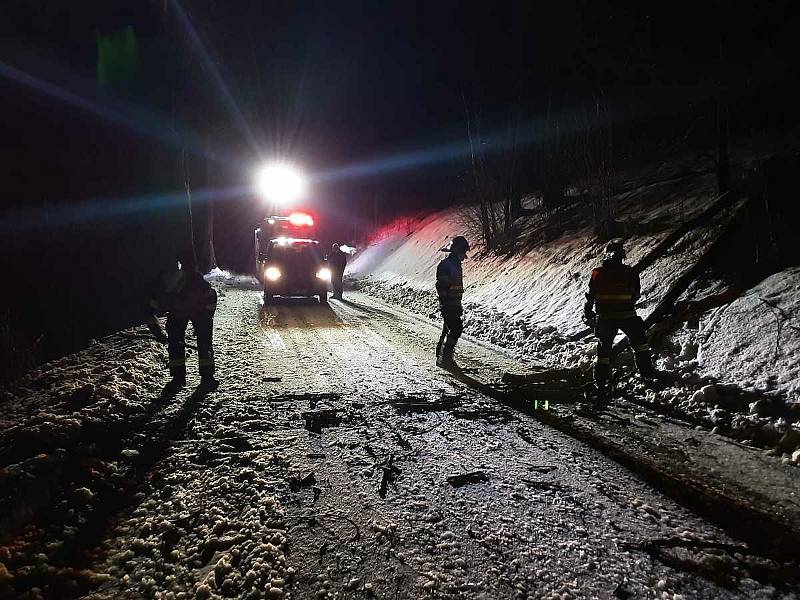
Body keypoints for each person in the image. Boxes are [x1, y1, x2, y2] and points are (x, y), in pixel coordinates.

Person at [583, 239, 656, 399]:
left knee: (603, 351)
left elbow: (590, 296)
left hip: (605, 317)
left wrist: (588, 312)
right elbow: (636, 294)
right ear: (622, 255)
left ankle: (600, 382)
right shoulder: (630, 273)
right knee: (640, 344)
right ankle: (647, 374)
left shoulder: (596, 273)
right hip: (627, 316)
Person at [147, 249, 219, 393]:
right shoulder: (159, 290)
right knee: (174, 342)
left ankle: (207, 377)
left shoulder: (198, 284)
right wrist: (158, 333)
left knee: (204, 342)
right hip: (177, 313)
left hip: (200, 311)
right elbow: (148, 313)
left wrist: (206, 317)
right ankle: (178, 378)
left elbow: (211, 299)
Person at [436, 236, 469, 370]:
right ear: (456, 252)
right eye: (462, 253)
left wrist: (457, 305)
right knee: (456, 329)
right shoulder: (446, 265)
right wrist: (446, 304)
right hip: (449, 304)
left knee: (452, 330)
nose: (464, 257)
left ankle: (443, 357)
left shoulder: (455, 265)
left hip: (454, 304)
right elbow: (441, 285)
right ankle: (446, 359)